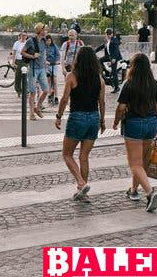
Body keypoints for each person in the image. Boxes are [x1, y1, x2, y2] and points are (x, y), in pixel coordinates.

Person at [113, 53, 157, 213]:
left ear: (133, 67)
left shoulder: (129, 84)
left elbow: (121, 107)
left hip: (134, 124)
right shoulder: (154, 84)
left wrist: (115, 122)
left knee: (134, 164)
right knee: (140, 162)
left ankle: (150, 192)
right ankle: (133, 191)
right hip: (151, 124)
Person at [55, 46, 105, 203]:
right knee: (84, 157)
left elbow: (64, 99)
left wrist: (58, 116)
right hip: (94, 118)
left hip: (78, 117)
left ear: (78, 59)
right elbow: (102, 102)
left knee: (67, 154)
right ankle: (83, 193)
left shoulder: (71, 76)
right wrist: (102, 121)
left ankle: (81, 183)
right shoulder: (100, 79)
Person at [20, 23, 49, 120]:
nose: (46, 31)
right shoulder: (30, 41)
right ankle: (31, 113)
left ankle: (38, 107)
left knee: (46, 90)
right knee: (32, 92)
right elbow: (22, 52)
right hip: (33, 69)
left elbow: (43, 53)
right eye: (45, 30)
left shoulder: (44, 41)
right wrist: (32, 56)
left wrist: (45, 63)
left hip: (41, 69)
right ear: (40, 30)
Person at [96, 28, 122, 93]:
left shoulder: (114, 40)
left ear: (112, 34)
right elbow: (101, 46)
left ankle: (116, 87)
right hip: (108, 56)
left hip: (114, 57)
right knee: (99, 61)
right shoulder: (107, 40)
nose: (108, 35)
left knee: (114, 71)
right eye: (107, 34)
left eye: (109, 34)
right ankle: (106, 72)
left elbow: (116, 50)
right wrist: (93, 51)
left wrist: (114, 59)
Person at [10, 31, 28, 98]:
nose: (24, 36)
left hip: (25, 61)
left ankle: (26, 91)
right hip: (18, 61)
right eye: (23, 35)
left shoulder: (27, 43)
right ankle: (18, 90)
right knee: (18, 77)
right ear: (20, 36)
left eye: (25, 35)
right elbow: (14, 52)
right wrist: (13, 61)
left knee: (25, 77)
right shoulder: (17, 43)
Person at [45, 35, 61, 105]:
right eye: (47, 41)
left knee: (54, 80)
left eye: (49, 40)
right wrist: (45, 61)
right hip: (47, 65)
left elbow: (58, 54)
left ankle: (56, 97)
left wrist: (57, 60)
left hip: (54, 64)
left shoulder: (54, 46)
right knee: (48, 80)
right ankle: (49, 94)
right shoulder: (44, 47)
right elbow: (42, 55)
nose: (48, 42)